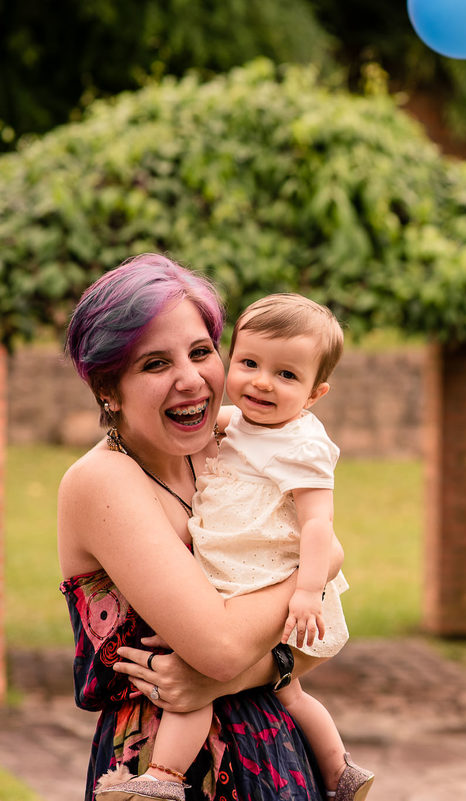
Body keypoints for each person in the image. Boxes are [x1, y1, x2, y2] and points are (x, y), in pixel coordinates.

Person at [56, 254, 352, 801]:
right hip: (161, 773)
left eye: (200, 352)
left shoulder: (233, 446)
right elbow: (218, 646)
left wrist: (246, 672)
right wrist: (322, 563)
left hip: (272, 751)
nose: (191, 380)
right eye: (154, 364)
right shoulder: (102, 482)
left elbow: (311, 640)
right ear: (107, 388)